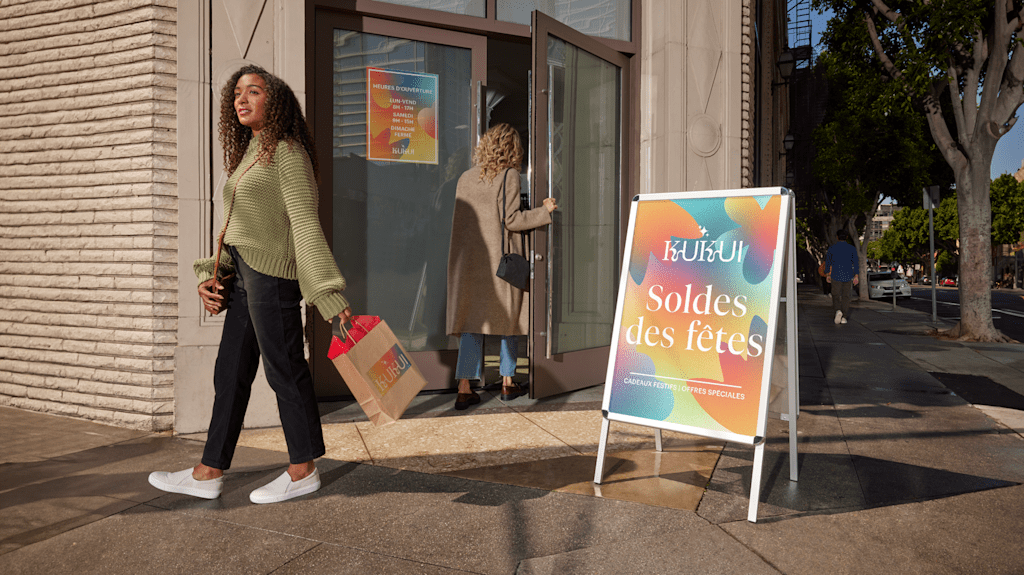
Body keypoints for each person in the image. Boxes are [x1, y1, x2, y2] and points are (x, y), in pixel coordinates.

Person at [149, 65, 353, 504]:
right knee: (230, 373)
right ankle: (209, 472)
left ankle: (302, 469)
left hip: (273, 279)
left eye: (253, 92)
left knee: (284, 371)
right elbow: (236, 227)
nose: (241, 99)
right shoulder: (250, 153)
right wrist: (211, 273)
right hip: (242, 276)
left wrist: (328, 294)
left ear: (274, 102)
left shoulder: (288, 152)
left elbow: (304, 224)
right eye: (237, 93)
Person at [446, 124, 557, 409]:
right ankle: (507, 382)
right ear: (512, 149)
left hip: (470, 262)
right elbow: (513, 220)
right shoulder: (510, 176)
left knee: (472, 321)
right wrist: (544, 212)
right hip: (500, 262)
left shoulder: (465, 178)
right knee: (510, 317)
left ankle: (464, 386)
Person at [825, 229, 859, 324]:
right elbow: (855, 263)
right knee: (846, 296)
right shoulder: (852, 249)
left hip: (835, 275)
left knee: (835, 295)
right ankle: (844, 316)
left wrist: (828, 274)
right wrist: (856, 275)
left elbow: (828, 262)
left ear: (837, 237)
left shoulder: (832, 248)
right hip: (848, 276)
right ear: (847, 237)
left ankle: (838, 310)